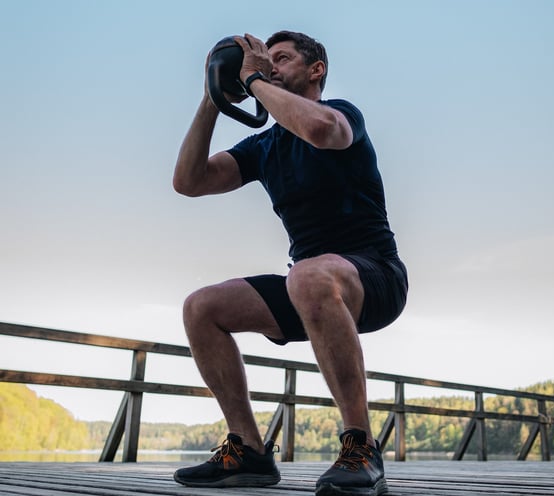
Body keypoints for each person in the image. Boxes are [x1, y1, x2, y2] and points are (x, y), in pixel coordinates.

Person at [171, 30, 408, 496]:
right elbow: (189, 181)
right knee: (201, 307)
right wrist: (211, 98)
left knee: (308, 274)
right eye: (266, 60)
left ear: (316, 69)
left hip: (376, 276)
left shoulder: (342, 114)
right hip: (310, 286)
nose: (269, 65)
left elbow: (320, 131)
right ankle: (248, 451)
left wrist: (255, 80)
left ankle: (361, 447)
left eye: (280, 58)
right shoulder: (263, 147)